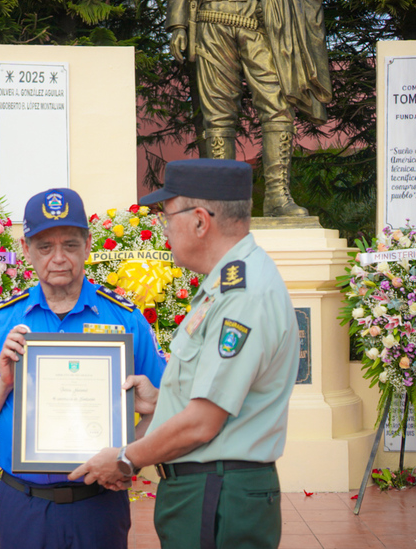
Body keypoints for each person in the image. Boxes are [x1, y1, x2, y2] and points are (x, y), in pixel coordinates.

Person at [70, 159, 300, 549]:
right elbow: (216, 393)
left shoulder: (242, 296)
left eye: (167, 215)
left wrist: (125, 458)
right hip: (210, 490)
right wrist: (162, 400)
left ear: (199, 221)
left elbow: (202, 423)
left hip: (217, 496)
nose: (163, 227)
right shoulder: (226, 286)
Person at [0, 188, 167, 549]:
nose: (59, 258)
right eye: (45, 247)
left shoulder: (125, 319)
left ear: (88, 244)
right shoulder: (1, 322)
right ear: (26, 249)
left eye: (70, 245)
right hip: (24, 505)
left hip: (99, 503)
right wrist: (4, 383)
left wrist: (126, 459)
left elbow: (163, 409)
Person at [167, 0, 332, 217]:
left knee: (278, 107)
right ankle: (223, 200)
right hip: (212, 17)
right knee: (217, 113)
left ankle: (277, 197)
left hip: (261, 19)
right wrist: (178, 24)